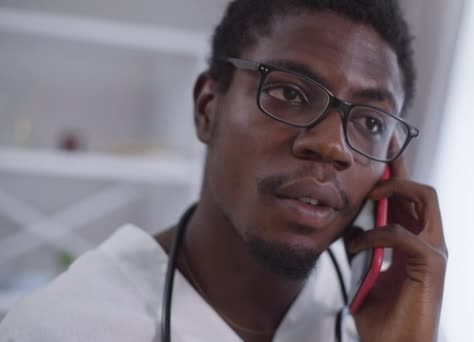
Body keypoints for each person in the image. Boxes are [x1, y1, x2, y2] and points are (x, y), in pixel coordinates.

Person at [0, 0, 448, 341]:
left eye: (370, 122)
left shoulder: (388, 321)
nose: (332, 145)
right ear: (206, 109)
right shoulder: (59, 328)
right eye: (290, 93)